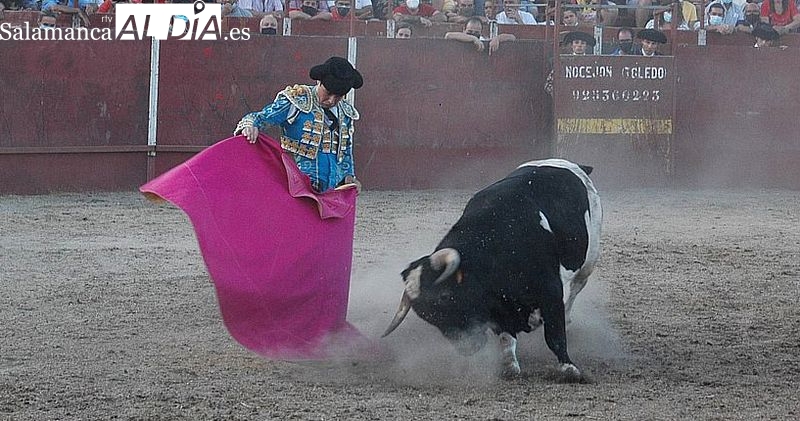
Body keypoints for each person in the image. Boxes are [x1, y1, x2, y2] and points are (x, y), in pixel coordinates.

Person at [234, 57, 363, 193]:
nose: (331, 100)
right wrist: (250, 125)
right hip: (296, 184)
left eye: (338, 96)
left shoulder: (345, 111)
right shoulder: (297, 101)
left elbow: (345, 148)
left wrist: (349, 175)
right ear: (318, 81)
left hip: (334, 187)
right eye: (328, 93)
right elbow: (259, 117)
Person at [444, 16, 516, 54]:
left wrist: (497, 38)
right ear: (464, 30)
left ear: (481, 32)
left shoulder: (483, 40)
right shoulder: (459, 37)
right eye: (470, 31)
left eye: (476, 33)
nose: (473, 34)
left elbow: (512, 37)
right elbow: (448, 35)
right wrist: (473, 39)